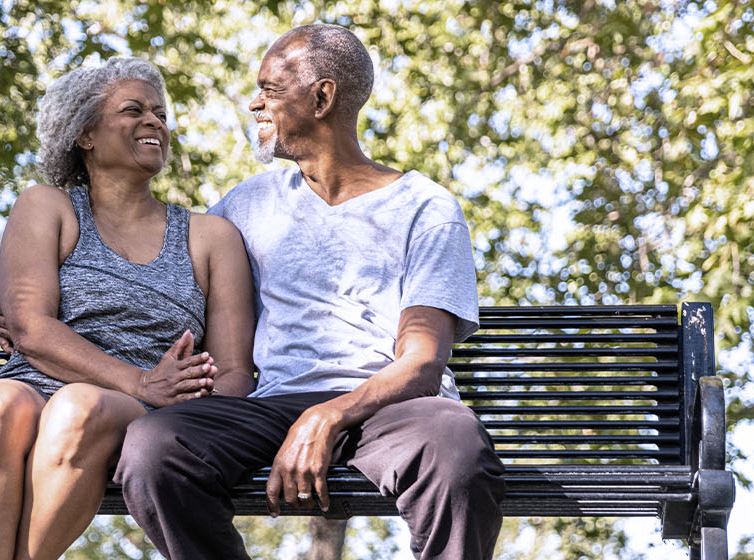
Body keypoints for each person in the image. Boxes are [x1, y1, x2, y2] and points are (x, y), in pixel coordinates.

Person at [109, 25, 506, 560]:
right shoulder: (245, 205)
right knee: (155, 447)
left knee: (457, 446)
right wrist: (45, 301)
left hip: (393, 408)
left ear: (322, 97)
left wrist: (328, 415)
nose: (255, 104)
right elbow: (155, 279)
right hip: (272, 407)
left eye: (270, 89)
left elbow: (422, 363)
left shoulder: (425, 206)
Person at [0, 57, 257, 560]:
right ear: (85, 134)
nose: (154, 122)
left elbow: (236, 370)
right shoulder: (49, 208)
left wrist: (177, 404)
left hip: (136, 415)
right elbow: (30, 328)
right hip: (37, 391)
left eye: (159, 113)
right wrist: (138, 378)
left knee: (79, 406)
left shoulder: (210, 237)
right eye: (133, 110)